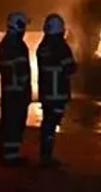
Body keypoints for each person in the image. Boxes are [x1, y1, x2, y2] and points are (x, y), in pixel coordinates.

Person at [36, 13, 77, 167]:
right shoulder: (61, 47)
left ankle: (45, 155)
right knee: (51, 124)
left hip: (46, 92)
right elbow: (70, 67)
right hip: (57, 92)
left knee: (47, 123)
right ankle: (46, 158)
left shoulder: (42, 46)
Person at [0, 11, 32, 167]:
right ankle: (11, 157)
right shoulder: (17, 45)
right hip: (17, 92)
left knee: (8, 122)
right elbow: (22, 71)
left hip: (8, 90)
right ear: (19, 25)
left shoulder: (5, 43)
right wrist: (26, 90)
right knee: (15, 123)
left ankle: (7, 155)